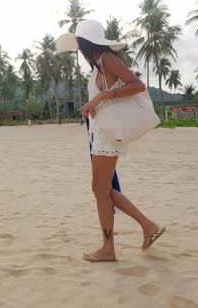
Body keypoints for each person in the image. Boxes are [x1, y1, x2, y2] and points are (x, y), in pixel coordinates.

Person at [56, 19, 165, 263]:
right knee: (102, 189)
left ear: (85, 43)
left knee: (100, 189)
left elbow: (137, 85)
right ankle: (144, 228)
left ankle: (113, 245)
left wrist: (101, 96)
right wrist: (92, 104)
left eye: (80, 44)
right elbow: (104, 98)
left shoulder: (106, 59)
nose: (79, 49)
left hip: (108, 135)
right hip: (100, 132)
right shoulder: (97, 65)